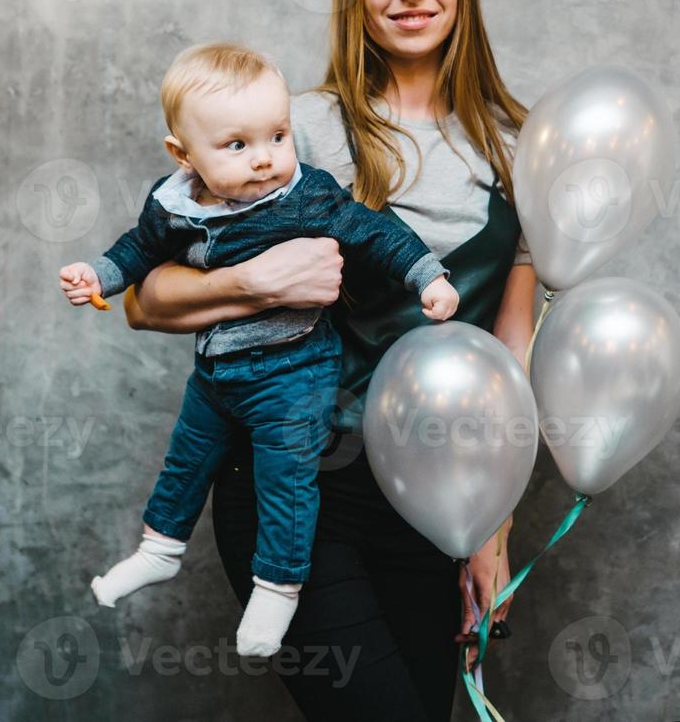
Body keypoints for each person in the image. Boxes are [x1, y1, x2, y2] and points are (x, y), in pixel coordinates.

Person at [122, 0, 537, 720]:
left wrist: (491, 527)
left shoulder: (518, 146)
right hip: (295, 489)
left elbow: (513, 350)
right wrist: (251, 282)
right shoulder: (298, 131)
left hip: (432, 504)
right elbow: (142, 297)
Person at [59, 42, 459, 656]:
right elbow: (139, 252)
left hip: (293, 372)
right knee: (185, 460)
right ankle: (158, 550)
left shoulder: (306, 195)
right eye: (238, 146)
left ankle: (277, 588)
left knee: (287, 482)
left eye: (277, 137)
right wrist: (99, 275)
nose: (266, 160)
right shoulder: (174, 203)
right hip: (217, 371)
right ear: (183, 154)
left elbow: (376, 232)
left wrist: (427, 276)